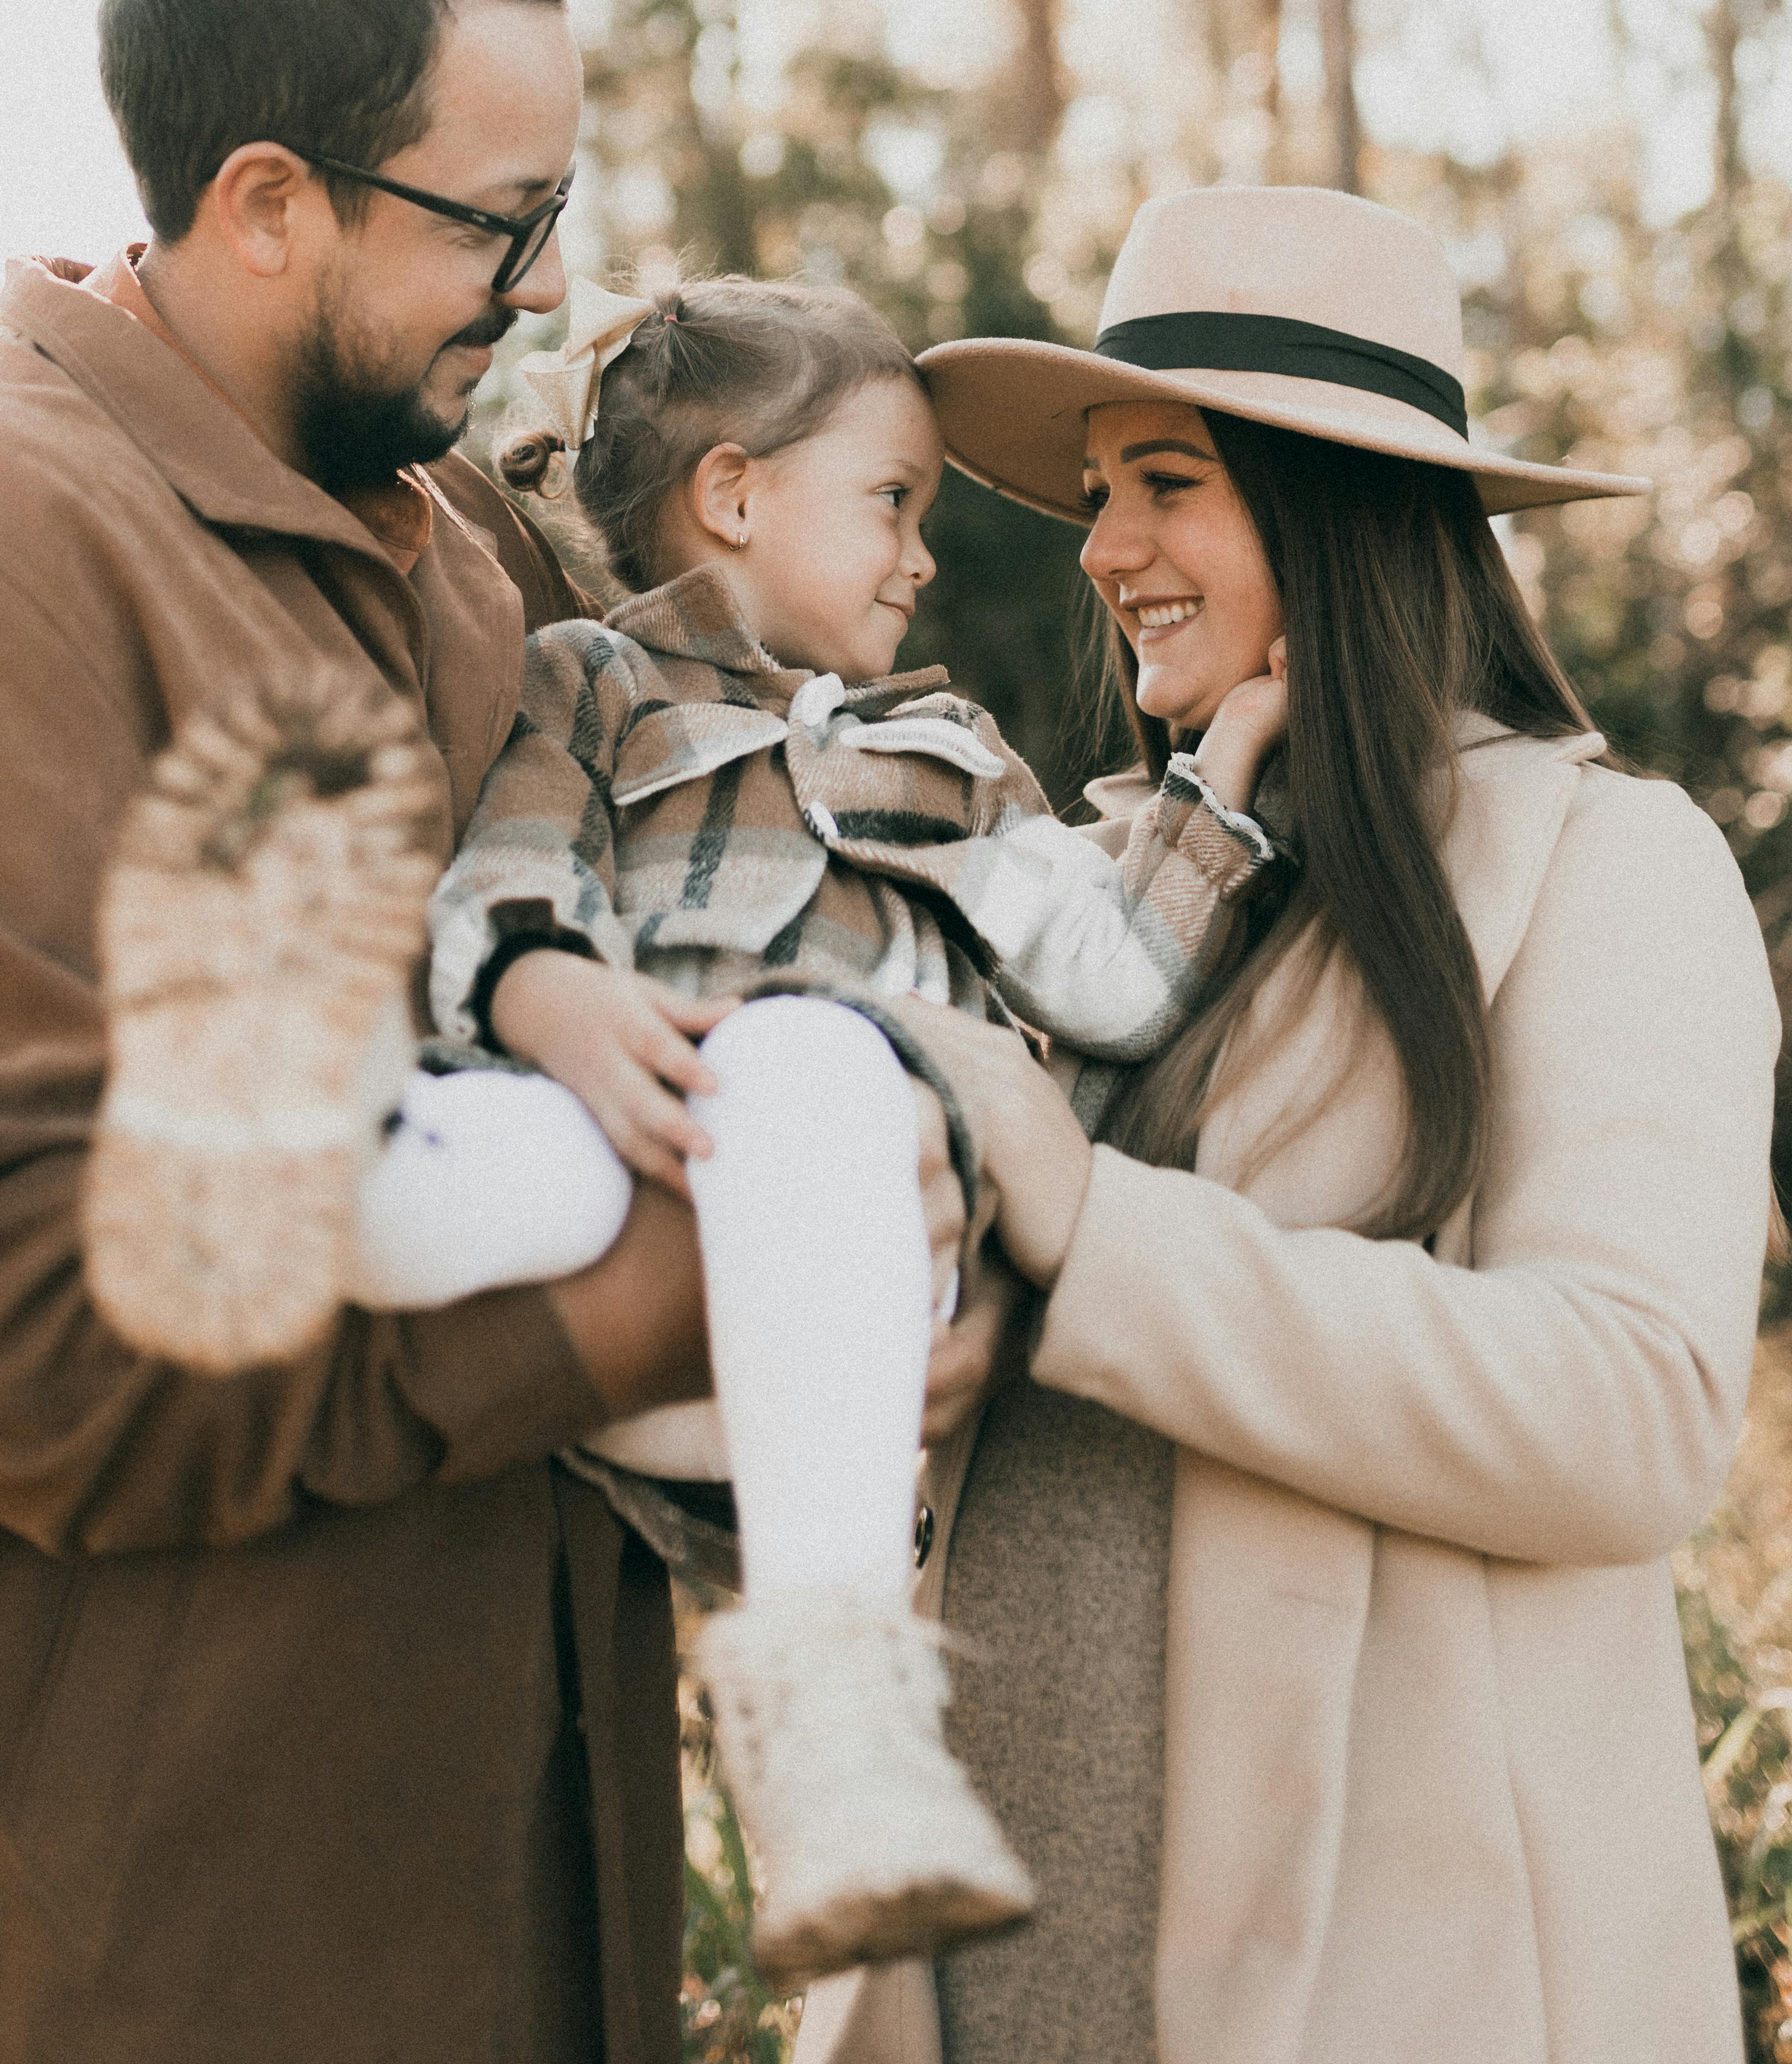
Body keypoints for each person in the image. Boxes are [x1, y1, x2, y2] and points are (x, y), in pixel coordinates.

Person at [0, 0, 961, 2064]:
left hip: (494, 1907)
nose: (552, 280)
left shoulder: (471, 548)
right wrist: (614, 1319)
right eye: (495, 223)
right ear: (270, 199)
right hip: (107, 1953)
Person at [91, 267, 1291, 1986]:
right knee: (453, 1157)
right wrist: (534, 992)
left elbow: (1113, 983)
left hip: (827, 1338)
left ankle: (835, 1726)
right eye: (891, 501)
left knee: (805, 1057)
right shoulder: (585, 685)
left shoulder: (949, 749)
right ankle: (284, 1109)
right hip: (625, 1203)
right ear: (734, 495)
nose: (922, 554)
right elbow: (511, 869)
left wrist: (1215, 788)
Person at [803, 180, 1780, 2064]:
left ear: (1333, 512)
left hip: (1400, 1990)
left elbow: (1633, 1415)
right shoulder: (1094, 887)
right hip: (992, 1951)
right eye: (1098, 493)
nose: (1103, 550)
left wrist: (1097, 1231)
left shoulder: (1601, 868)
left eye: (1165, 481)